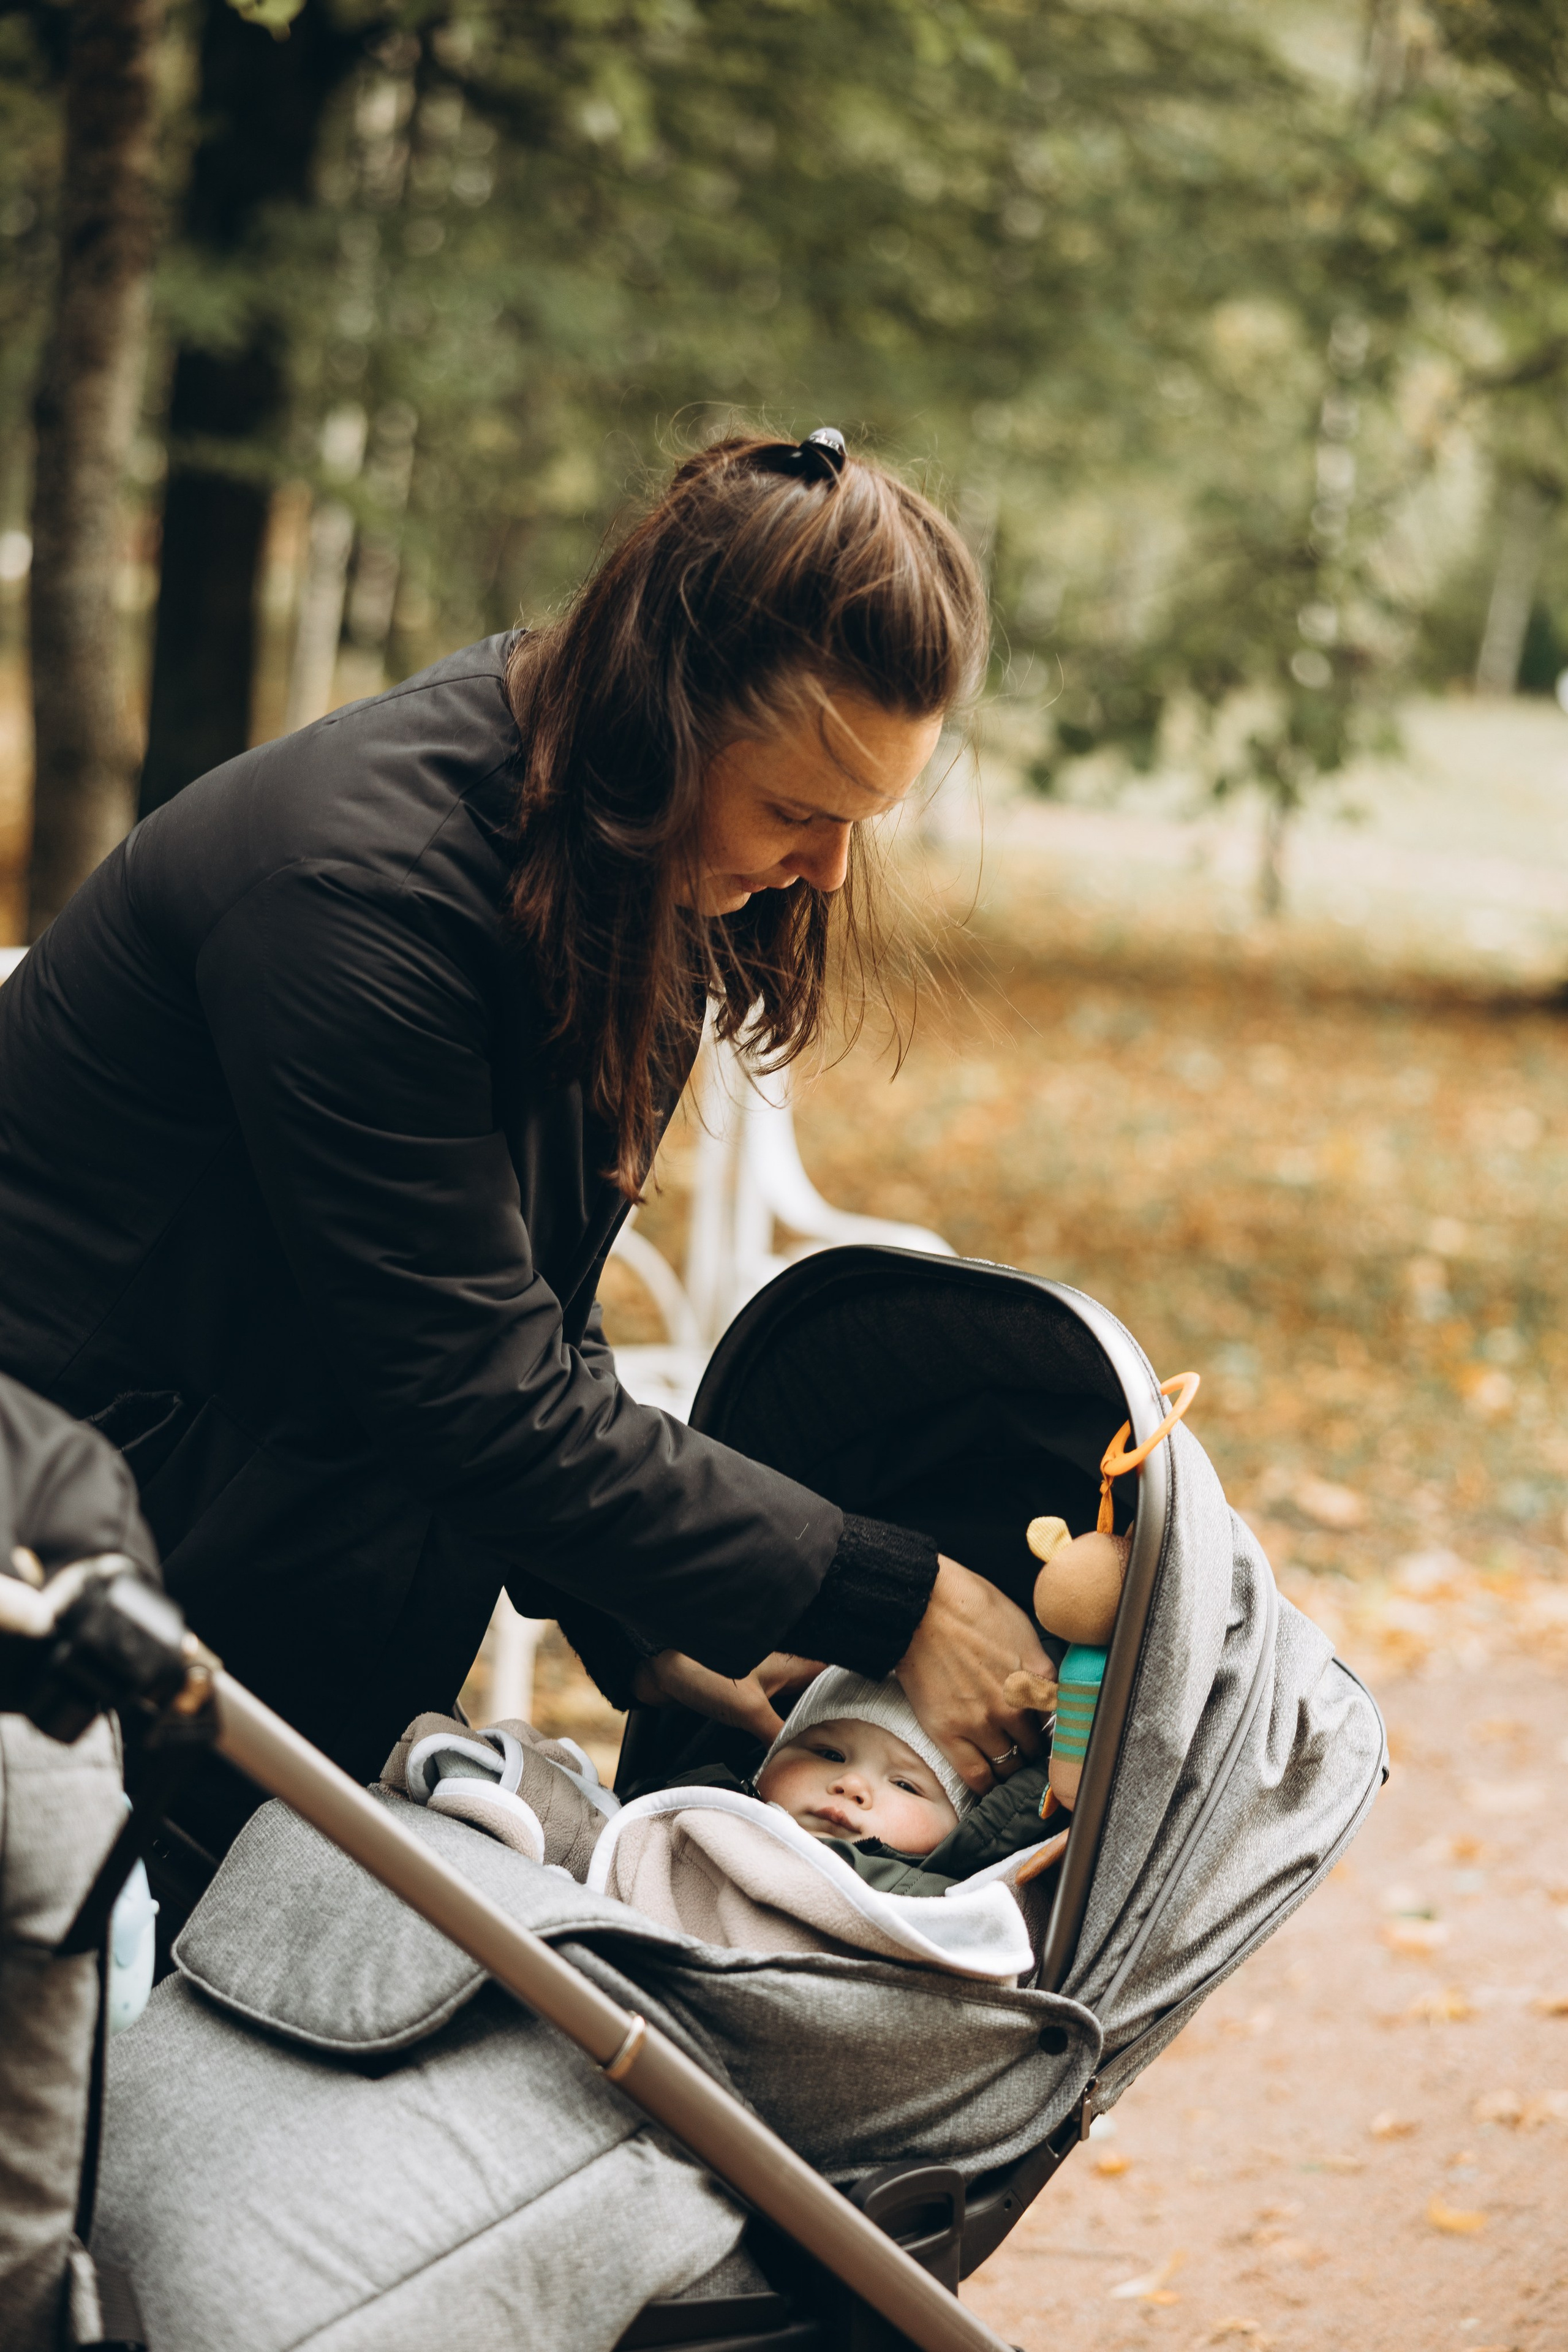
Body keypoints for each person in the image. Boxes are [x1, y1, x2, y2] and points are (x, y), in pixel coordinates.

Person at [0, 427, 1051, 1876]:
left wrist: (646, 1619)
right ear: (670, 711)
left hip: (258, 1563)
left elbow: (525, 1301)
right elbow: (471, 1393)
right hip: (74, 1593)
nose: (823, 870)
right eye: (799, 812)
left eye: (857, 824)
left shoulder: (605, 845)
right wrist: (891, 1595)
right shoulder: (359, 895)